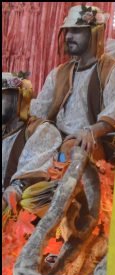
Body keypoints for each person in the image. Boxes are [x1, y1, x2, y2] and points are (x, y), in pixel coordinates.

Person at [30, 5, 115, 162]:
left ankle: (60, 170)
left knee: (71, 151)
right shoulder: (58, 73)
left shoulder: (114, 70)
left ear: (94, 32)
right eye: (67, 30)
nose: (68, 36)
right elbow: (39, 112)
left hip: (88, 145)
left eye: (76, 30)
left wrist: (91, 131)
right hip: (56, 141)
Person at [2, 72, 61, 217]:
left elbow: (30, 176)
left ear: (18, 97)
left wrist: (12, 192)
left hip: (19, 216)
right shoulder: (4, 132)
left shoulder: (40, 130)